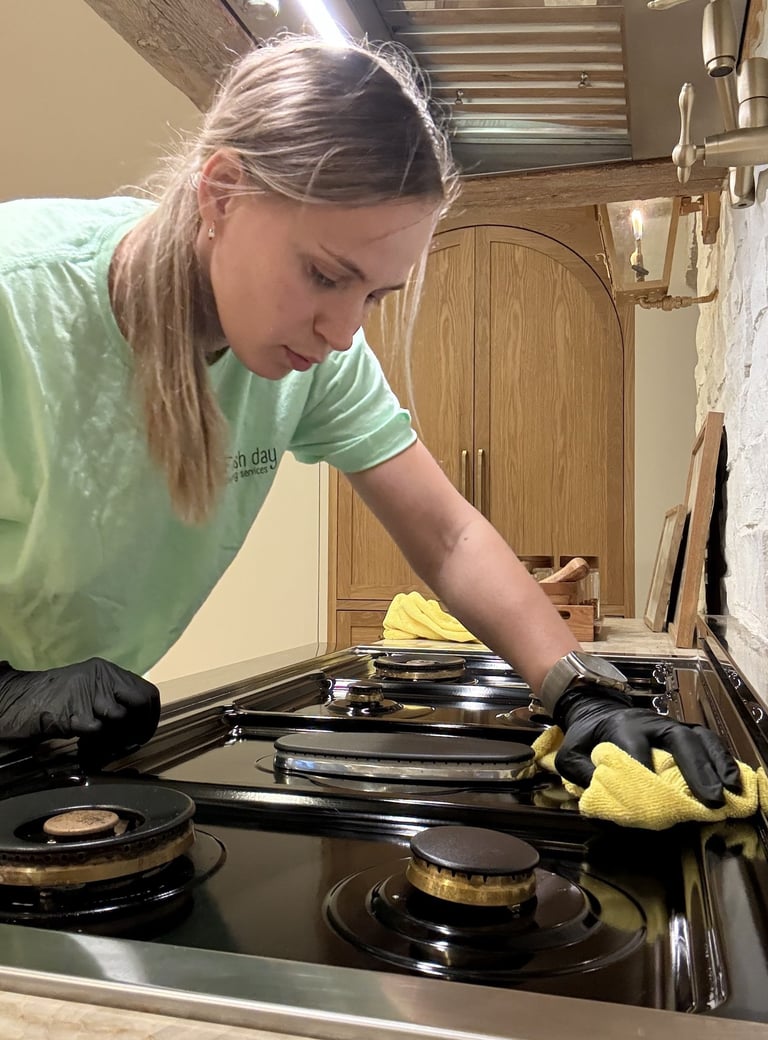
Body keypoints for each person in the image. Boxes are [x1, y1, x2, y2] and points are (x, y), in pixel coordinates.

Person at [0, 35, 740, 801]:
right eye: (325, 275)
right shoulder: (15, 295)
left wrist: (582, 692)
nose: (344, 331)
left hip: (54, 745)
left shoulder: (317, 356)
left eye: (375, 296)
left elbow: (448, 537)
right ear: (220, 193)